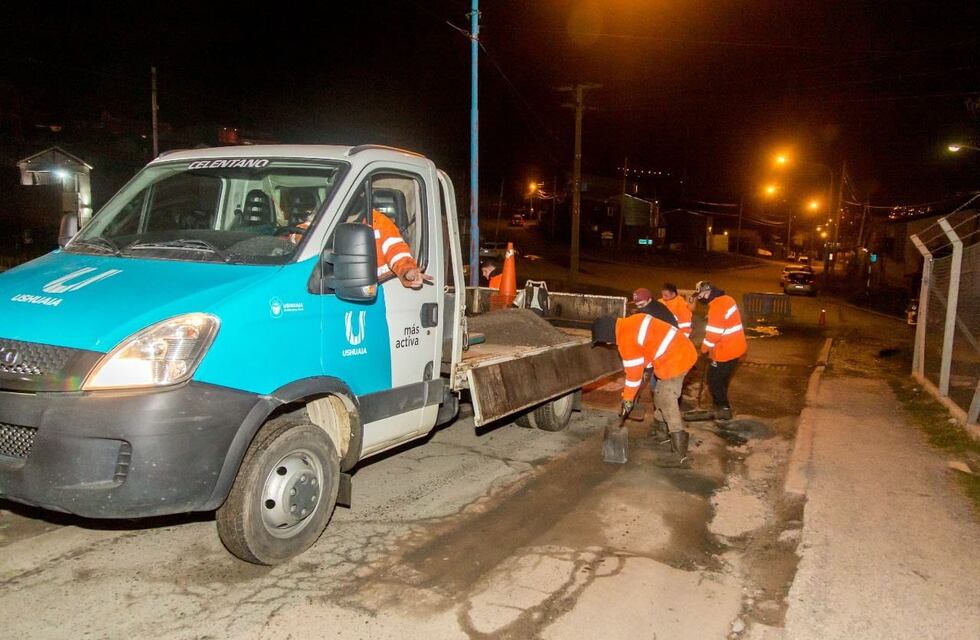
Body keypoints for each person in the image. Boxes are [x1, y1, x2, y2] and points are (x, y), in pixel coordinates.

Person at [592, 313, 698, 467]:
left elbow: (633, 376)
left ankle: (680, 455)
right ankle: (662, 435)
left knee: (667, 399)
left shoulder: (625, 341)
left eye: (605, 341)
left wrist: (627, 400)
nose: (607, 344)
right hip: (677, 351)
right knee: (659, 395)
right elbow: (649, 344)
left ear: (608, 336)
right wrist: (646, 368)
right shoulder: (631, 321)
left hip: (676, 359)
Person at [289, 206, 428, 289]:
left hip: (370, 293)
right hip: (329, 289)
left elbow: (397, 252)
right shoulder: (327, 217)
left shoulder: (378, 222)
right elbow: (302, 233)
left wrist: (407, 272)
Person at [693, 280, 747, 420]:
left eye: (700, 295)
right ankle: (719, 406)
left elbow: (714, 334)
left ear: (707, 292)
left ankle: (723, 408)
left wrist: (704, 349)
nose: (699, 299)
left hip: (726, 351)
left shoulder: (717, 306)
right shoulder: (727, 299)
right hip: (735, 347)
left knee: (714, 380)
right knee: (720, 380)